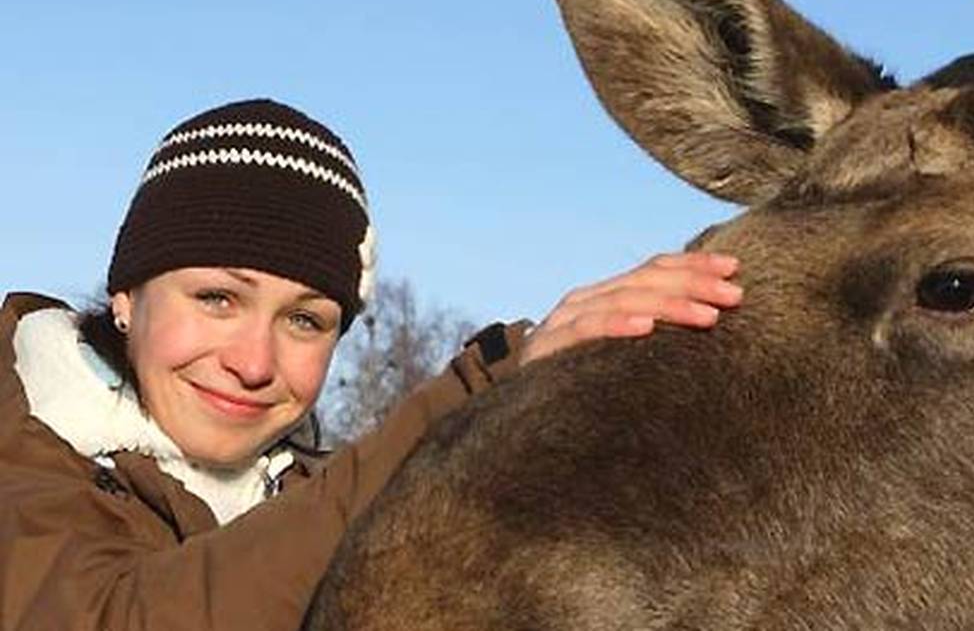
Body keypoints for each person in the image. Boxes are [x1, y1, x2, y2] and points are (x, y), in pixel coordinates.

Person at [0, 99, 742, 630]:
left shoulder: (317, 496)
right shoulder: (24, 457)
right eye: (218, 298)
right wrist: (477, 401)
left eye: (304, 320)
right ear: (127, 295)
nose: (254, 362)